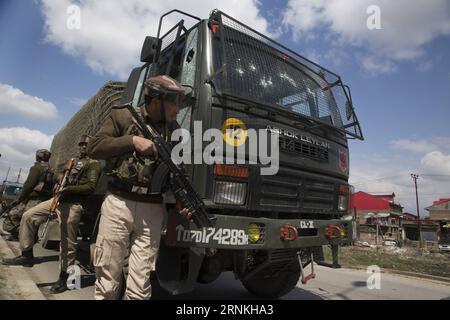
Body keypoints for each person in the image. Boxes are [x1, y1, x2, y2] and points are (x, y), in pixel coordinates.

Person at [88, 75, 191, 300]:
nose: (178, 108)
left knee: (140, 284)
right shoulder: (123, 115)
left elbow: (177, 171)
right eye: (174, 102)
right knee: (108, 278)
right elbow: (94, 147)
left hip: (152, 209)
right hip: (119, 204)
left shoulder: (175, 131)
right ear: (156, 101)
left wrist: (182, 203)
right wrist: (132, 141)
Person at [1, 135, 101, 294]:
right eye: (81, 144)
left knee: (67, 243)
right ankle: (26, 255)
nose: (83, 147)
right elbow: (59, 176)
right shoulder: (73, 161)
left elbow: (90, 186)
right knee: (28, 216)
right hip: (58, 200)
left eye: (86, 144)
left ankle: (64, 278)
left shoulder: (93, 164)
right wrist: (58, 178)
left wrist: (68, 189)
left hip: (73, 204)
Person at [2, 149, 53, 241]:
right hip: (43, 200)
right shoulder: (50, 170)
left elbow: (28, 185)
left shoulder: (36, 168)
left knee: (16, 218)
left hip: (32, 199)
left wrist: (19, 199)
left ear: (37, 157)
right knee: (32, 222)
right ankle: (27, 238)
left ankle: (24, 239)